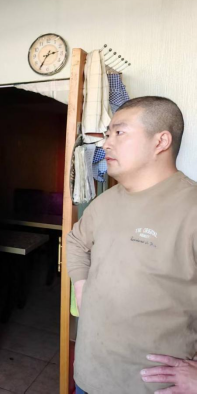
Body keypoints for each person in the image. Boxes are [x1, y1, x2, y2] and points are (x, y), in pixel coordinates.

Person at [67, 96, 197, 394]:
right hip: (88, 376)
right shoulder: (105, 202)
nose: (106, 144)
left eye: (119, 132)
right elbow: (75, 241)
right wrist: (82, 286)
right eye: (107, 133)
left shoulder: (191, 207)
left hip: (150, 387)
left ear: (160, 141)